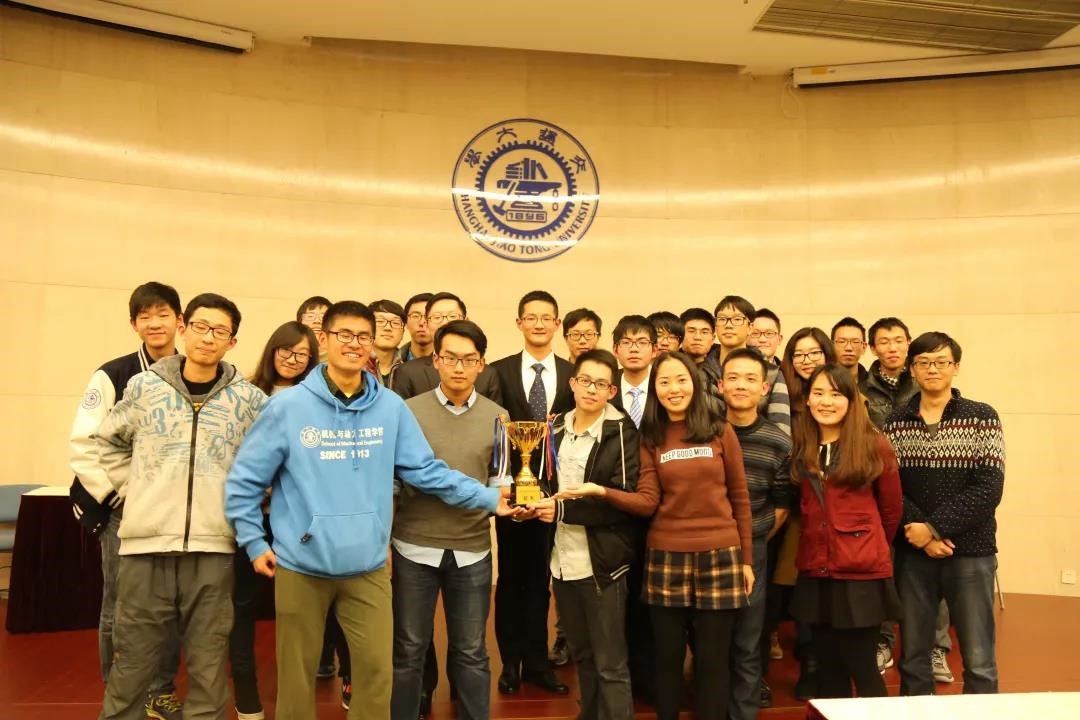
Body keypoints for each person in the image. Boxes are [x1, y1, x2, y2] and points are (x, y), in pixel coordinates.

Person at [226, 301, 518, 720]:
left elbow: (426, 470)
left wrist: (488, 498)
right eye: (344, 334)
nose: (354, 344)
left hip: (367, 567)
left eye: (363, 336)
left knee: (378, 676)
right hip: (301, 565)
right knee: (296, 680)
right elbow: (245, 481)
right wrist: (254, 542)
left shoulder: (390, 408)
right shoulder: (288, 408)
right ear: (324, 340)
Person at [97, 293, 268, 720]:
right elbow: (108, 441)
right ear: (184, 328)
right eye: (201, 327)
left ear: (232, 342)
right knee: (132, 663)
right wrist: (136, 490)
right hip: (144, 548)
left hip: (213, 549)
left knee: (208, 666)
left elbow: (267, 462)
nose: (208, 338)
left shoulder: (249, 401)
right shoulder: (145, 387)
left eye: (220, 331)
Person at [570, 351, 753, 720]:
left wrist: (747, 561)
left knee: (713, 661)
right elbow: (647, 501)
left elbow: (740, 497)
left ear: (695, 384)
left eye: (681, 380)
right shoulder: (650, 437)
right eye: (664, 382)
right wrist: (602, 492)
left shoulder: (721, 430)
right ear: (655, 389)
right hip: (666, 554)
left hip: (721, 554)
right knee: (666, 660)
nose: (674, 389)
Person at [69, 281, 186, 720]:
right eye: (145, 316)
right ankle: (119, 691)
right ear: (134, 323)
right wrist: (118, 495)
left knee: (169, 606)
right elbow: (84, 443)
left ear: (179, 321)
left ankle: (159, 690)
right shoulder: (113, 374)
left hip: (173, 513)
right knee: (120, 603)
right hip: (124, 511)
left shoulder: (193, 371)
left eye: (163, 314)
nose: (154, 323)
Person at [390, 320, 509, 720]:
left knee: (471, 650)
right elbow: (399, 477)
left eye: (469, 360)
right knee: (408, 650)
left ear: (482, 364)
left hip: (472, 550)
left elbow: (500, 480)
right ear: (436, 361)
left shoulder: (499, 415)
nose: (459, 367)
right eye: (451, 358)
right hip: (413, 547)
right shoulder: (407, 411)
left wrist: (515, 497)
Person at [884, 332, 1005, 696]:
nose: (932, 369)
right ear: (912, 369)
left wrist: (934, 528)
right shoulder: (895, 421)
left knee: (979, 660)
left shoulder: (982, 416)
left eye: (941, 362)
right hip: (913, 553)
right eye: (923, 362)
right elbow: (890, 489)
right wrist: (920, 535)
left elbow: (989, 488)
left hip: (971, 552)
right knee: (913, 657)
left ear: (956, 367)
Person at [525, 349, 640, 720]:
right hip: (562, 560)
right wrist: (531, 501)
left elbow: (621, 499)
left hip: (602, 563)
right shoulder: (555, 427)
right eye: (585, 381)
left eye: (601, 384)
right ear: (573, 383)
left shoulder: (621, 432)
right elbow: (544, 479)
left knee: (610, 663)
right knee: (583, 656)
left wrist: (561, 510)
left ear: (611, 391)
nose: (592, 389)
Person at [788, 363, 902, 698]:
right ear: (807, 400)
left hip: (860, 574)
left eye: (836, 394)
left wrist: (864, 545)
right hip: (816, 569)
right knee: (828, 670)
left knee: (862, 666)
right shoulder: (803, 446)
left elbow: (891, 511)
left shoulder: (873, 444)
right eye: (818, 393)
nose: (826, 401)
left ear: (851, 401)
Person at [489, 290, 575, 696]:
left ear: (557, 324)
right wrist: (504, 490)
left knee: (542, 580)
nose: (539, 324)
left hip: (555, 498)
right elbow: (491, 436)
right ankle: (510, 663)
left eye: (546, 318)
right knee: (510, 579)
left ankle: (538, 663)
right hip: (510, 494)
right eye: (531, 317)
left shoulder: (573, 375)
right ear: (519, 322)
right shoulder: (498, 371)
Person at [232, 321, 319, 720]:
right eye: (286, 350)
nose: (292, 359)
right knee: (243, 608)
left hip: (299, 522)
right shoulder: (245, 394)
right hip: (254, 519)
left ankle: (299, 696)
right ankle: (246, 695)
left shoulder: (316, 401)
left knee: (301, 612)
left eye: (302, 354)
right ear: (272, 350)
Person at [858, 317, 952, 679]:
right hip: (880, 490)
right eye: (884, 341)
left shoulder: (925, 382)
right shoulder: (862, 388)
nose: (892, 347)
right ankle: (882, 641)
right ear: (873, 347)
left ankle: (935, 648)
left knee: (933, 577)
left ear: (908, 344)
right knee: (885, 570)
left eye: (898, 340)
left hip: (925, 492)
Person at [719, 348, 794, 719]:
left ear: (765, 388)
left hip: (755, 552)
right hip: (706, 550)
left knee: (748, 641)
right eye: (733, 377)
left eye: (750, 379)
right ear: (720, 385)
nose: (741, 385)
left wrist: (753, 539)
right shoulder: (704, 433)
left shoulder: (779, 442)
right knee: (711, 641)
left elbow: (782, 505)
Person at [776, 327, 836, 699]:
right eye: (798, 354)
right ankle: (809, 664)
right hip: (796, 511)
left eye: (814, 353)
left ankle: (829, 668)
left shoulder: (845, 399)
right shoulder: (787, 403)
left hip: (837, 513)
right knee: (803, 592)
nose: (806, 360)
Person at [394, 292, 501, 402]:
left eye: (452, 316)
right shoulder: (408, 372)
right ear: (427, 324)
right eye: (437, 317)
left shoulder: (488, 374)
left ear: (466, 320)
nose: (445, 322)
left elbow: (494, 412)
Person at [369, 299, 407, 388]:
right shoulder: (355, 366)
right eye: (380, 321)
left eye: (395, 323)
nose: (388, 328)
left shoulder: (410, 368)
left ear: (403, 333)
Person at [831, 317, 869, 384]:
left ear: (864, 347)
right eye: (842, 341)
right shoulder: (820, 381)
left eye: (855, 342)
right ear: (831, 346)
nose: (848, 348)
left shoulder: (874, 385)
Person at [400, 292, 434, 362]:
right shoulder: (393, 362)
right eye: (415, 316)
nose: (422, 322)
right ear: (405, 322)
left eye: (428, 316)